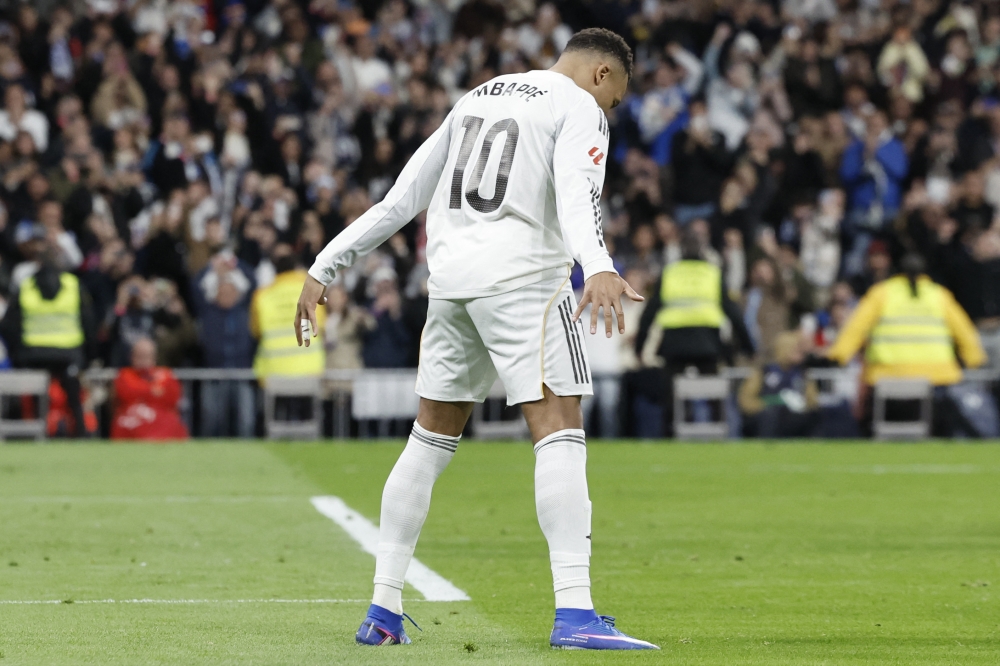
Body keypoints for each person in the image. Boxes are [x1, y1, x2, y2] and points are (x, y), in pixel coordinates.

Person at [296, 29, 657, 650]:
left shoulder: (476, 98)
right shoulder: (576, 107)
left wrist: (323, 265)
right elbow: (579, 196)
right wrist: (596, 264)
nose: (610, 111)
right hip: (523, 284)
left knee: (428, 441)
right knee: (560, 429)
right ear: (603, 74)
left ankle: (382, 611)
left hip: (452, 285)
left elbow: (399, 198)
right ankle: (574, 611)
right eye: (616, 99)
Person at [826, 254, 986, 436]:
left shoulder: (882, 293)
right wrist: (974, 358)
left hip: (887, 372)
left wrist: (837, 356)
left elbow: (856, 327)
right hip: (936, 374)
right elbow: (963, 329)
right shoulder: (938, 295)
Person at [634, 231, 754, 436]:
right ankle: (718, 431)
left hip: (674, 343)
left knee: (671, 396)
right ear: (701, 249)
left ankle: (671, 434)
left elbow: (649, 312)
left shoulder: (670, 273)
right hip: (707, 343)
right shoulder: (712, 272)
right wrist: (747, 345)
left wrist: (640, 346)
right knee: (713, 393)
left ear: (681, 249)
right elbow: (732, 311)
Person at [0, 257, 95, 437]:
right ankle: (81, 431)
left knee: (35, 397)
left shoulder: (27, 286)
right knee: (73, 396)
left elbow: (9, 324)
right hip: (69, 351)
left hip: (32, 353)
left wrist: (18, 351)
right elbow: (88, 322)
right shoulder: (73, 284)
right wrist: (89, 355)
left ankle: (35, 432)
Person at [738, 331, 820, 438]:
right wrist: (769, 404)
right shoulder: (763, 372)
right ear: (785, 349)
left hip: (793, 416)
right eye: (796, 348)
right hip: (766, 417)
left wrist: (801, 404)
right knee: (770, 416)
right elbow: (745, 401)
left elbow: (812, 401)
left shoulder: (802, 374)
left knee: (815, 416)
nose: (801, 352)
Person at [110, 337, 188, 440]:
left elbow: (173, 397)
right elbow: (126, 394)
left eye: (146, 356)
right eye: (139, 356)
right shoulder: (124, 375)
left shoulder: (166, 374)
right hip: (133, 419)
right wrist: (152, 391)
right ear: (132, 357)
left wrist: (143, 392)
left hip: (162, 420)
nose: (143, 360)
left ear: (154, 357)